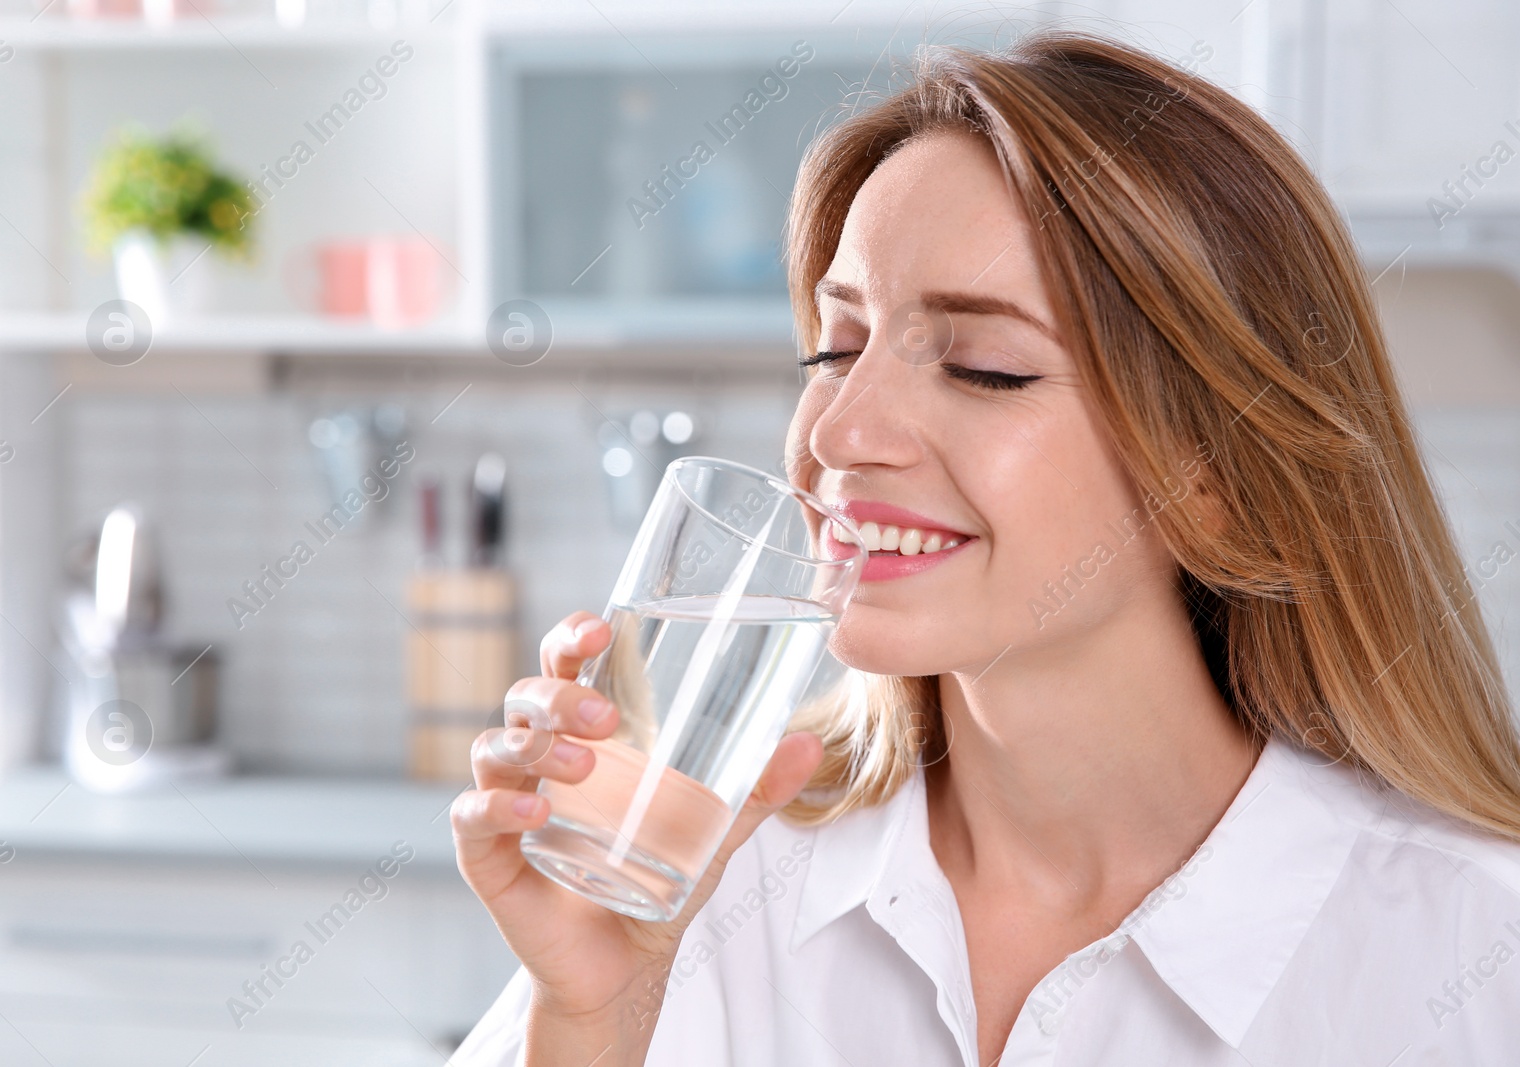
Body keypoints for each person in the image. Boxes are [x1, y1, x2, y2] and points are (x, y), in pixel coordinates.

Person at [449, 31, 1520, 1066]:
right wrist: (586, 1013)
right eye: (838, 346)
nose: (835, 434)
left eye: (983, 367)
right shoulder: (701, 880)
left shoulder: (1473, 956)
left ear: (1216, 485)